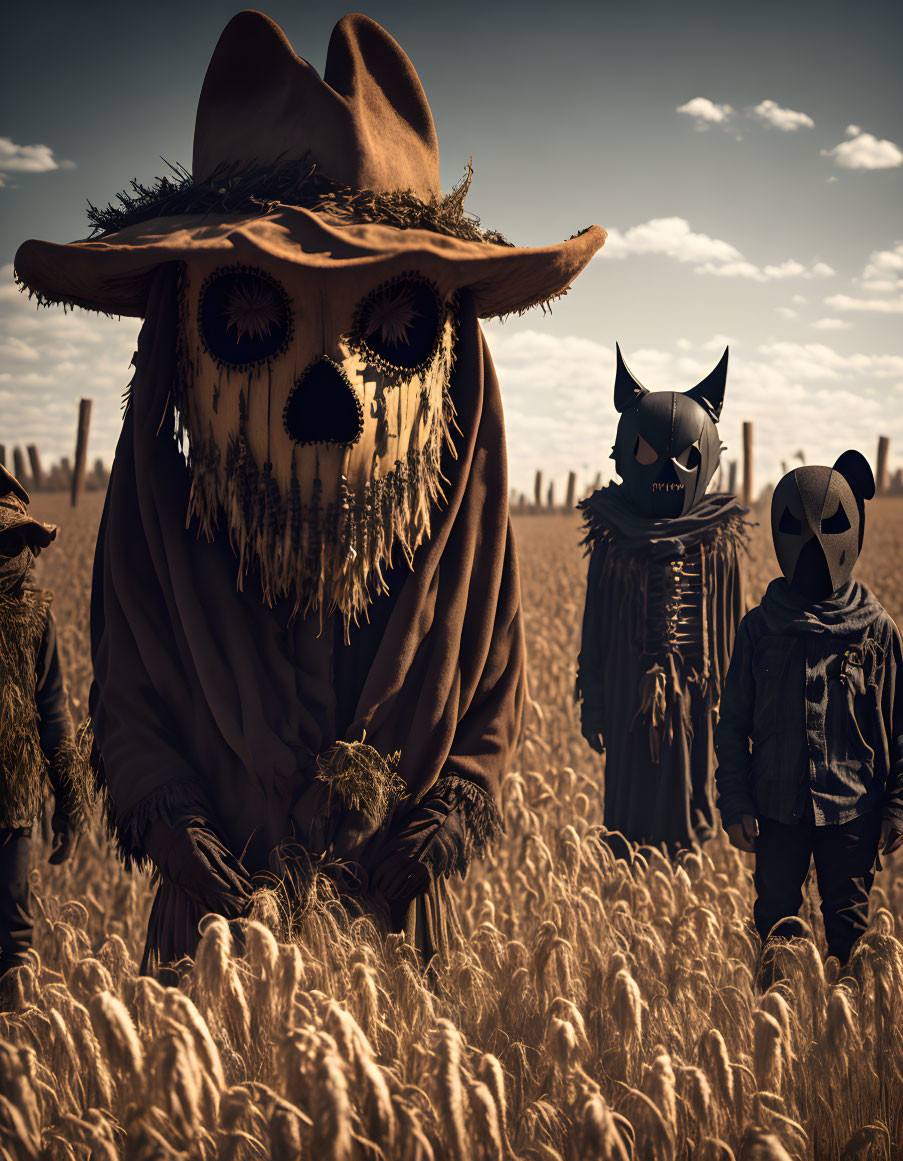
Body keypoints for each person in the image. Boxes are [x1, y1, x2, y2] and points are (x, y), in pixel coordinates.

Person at [15, 11, 605, 973]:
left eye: (397, 322)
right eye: (248, 316)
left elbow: (491, 708)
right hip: (214, 964)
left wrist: (444, 823)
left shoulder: (461, 570)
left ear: (455, 362)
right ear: (178, 350)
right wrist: (175, 826)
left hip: (396, 955)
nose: (328, 398)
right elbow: (127, 705)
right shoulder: (162, 553)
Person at [715, 452, 903, 964]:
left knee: (852, 942)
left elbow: (900, 725)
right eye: (800, 529)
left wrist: (896, 807)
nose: (816, 545)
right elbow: (731, 725)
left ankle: (843, 1041)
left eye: (832, 527)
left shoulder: (877, 631)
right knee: (776, 937)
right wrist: (735, 803)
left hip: (854, 813)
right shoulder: (759, 629)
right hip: (774, 813)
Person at [577, 346, 748, 851]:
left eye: (687, 457)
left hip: (696, 705)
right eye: (650, 454)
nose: (670, 471)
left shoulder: (718, 545)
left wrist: (739, 716)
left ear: (709, 457)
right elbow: (596, 628)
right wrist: (595, 704)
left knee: (689, 811)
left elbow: (733, 637)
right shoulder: (612, 541)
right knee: (627, 818)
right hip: (629, 696)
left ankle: (681, 879)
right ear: (627, 453)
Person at [0, 466, 81, 996]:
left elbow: (53, 710)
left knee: (14, 938)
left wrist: (68, 801)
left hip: (10, 803)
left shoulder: (33, 616)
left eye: (12, 544)